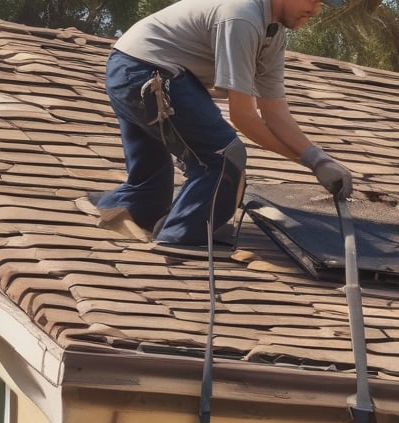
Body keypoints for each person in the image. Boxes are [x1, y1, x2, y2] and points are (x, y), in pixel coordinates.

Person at [97, 0, 353, 247]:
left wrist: (318, 159)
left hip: (130, 69)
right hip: (148, 74)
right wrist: (308, 161)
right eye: (312, 0)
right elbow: (244, 117)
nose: (315, 10)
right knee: (224, 157)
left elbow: (274, 113)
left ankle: (120, 208)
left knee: (150, 196)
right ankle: (183, 238)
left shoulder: (273, 34)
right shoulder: (243, 16)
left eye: (322, 4)